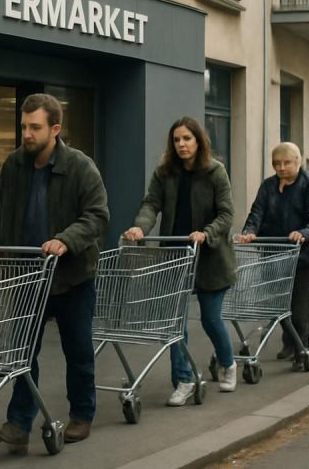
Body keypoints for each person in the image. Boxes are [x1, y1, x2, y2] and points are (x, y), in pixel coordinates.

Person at [0, 93, 109, 451]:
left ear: (55, 129)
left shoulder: (80, 166)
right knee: (23, 352)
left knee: (77, 349)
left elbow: (96, 216)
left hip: (71, 276)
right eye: (24, 127)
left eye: (35, 127)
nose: (27, 134)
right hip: (29, 276)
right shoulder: (14, 164)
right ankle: (18, 423)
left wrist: (66, 239)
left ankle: (82, 414)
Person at [123, 117, 237, 405]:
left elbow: (226, 214)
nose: (182, 144)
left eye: (187, 138)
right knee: (176, 324)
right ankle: (184, 379)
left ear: (198, 141)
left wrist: (206, 233)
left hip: (210, 257)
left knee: (211, 319)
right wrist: (141, 227)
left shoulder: (215, 171)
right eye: (177, 140)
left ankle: (228, 362)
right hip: (176, 256)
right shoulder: (165, 173)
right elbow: (151, 204)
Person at [237, 142, 309, 365]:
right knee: (278, 304)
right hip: (273, 253)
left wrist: (303, 233)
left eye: (286, 163)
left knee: (299, 306)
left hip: (301, 256)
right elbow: (256, 213)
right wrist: (249, 232)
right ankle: (290, 342)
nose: (282, 168)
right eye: (277, 164)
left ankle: (299, 348)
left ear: (298, 162)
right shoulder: (268, 186)